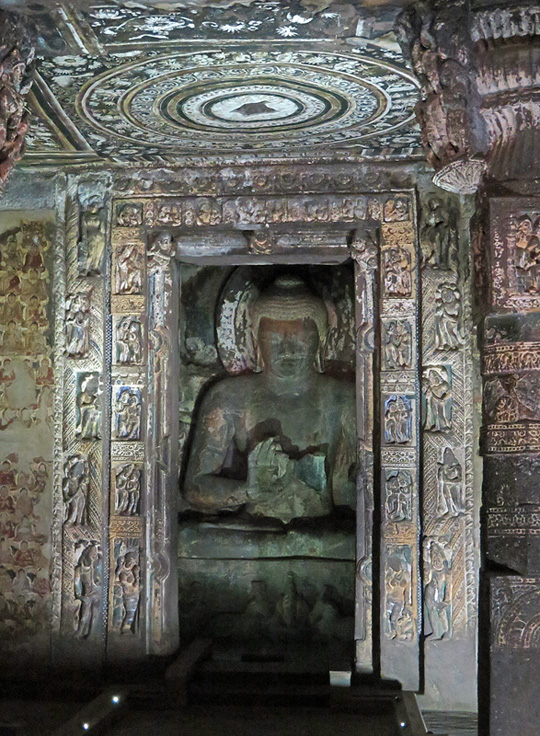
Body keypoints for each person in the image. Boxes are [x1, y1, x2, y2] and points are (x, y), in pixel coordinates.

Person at [184, 275, 356, 523]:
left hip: (321, 530)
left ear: (321, 340)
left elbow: (372, 484)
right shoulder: (229, 396)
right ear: (256, 341)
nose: (287, 350)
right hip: (254, 529)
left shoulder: (343, 398)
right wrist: (249, 490)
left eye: (300, 340)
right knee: (191, 535)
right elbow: (194, 488)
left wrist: (339, 485)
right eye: (274, 339)